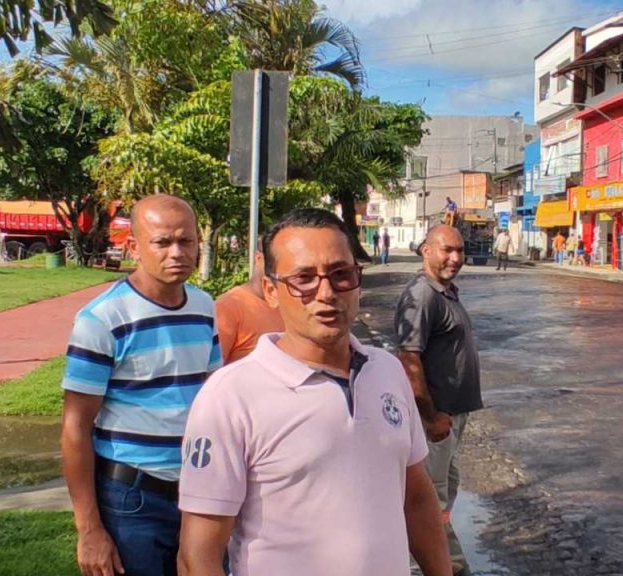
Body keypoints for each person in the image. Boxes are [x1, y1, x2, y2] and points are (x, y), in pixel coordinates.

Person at [177, 209, 450, 576]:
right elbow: (198, 556)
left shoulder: (386, 372)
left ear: (358, 282)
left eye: (341, 275)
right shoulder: (230, 397)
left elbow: (416, 498)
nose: (325, 293)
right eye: (303, 278)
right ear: (272, 291)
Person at [61, 194, 222, 576]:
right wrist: (89, 529)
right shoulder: (102, 320)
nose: (177, 252)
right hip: (131, 500)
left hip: (199, 490)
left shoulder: (203, 306)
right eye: (163, 242)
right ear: (133, 247)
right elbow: (75, 427)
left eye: (186, 241)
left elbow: (215, 397)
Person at [394, 225, 484, 576]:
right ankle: (426, 566)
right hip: (436, 421)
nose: (456, 258)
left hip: (450, 418)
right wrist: (430, 418)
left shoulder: (444, 292)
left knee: (443, 493)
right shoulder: (422, 294)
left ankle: (447, 561)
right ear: (425, 250)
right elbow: (408, 357)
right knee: (428, 500)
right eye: (447, 250)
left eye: (460, 251)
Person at [214, 244, 285, 365]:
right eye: (273, 259)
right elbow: (211, 372)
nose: (278, 267)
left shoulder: (292, 304)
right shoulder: (228, 307)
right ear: (258, 258)